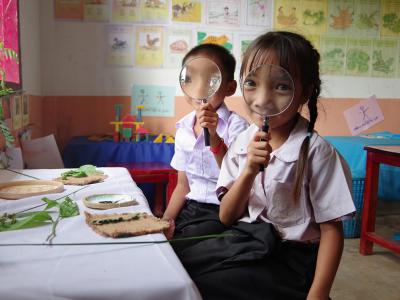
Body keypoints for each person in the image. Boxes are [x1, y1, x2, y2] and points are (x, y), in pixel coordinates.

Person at [177, 31, 356, 300]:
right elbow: (227, 216)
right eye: (252, 83)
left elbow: (332, 230)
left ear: (305, 92)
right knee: (177, 266)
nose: (262, 99)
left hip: (291, 258)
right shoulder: (240, 143)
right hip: (248, 239)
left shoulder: (318, 153)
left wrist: (318, 294)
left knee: (207, 286)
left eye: (281, 86)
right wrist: (248, 170)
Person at [162, 43, 249, 246]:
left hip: (224, 210)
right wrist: (166, 219)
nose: (200, 89)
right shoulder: (183, 128)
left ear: (230, 88)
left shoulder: (238, 127)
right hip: (191, 208)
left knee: (179, 248)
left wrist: (214, 135)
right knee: (161, 242)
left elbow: (237, 177)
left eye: (211, 79)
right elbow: (183, 185)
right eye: (191, 79)